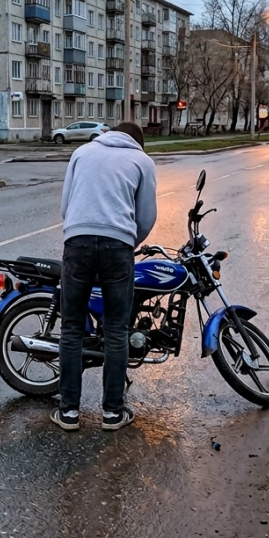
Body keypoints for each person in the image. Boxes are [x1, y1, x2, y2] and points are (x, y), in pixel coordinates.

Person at [52, 122, 157, 432]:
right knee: (116, 330)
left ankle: (68, 412)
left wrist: (80, 230)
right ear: (139, 142)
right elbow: (147, 216)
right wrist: (128, 240)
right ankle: (112, 413)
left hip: (77, 242)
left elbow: (65, 206)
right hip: (117, 248)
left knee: (71, 327)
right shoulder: (142, 161)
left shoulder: (82, 152)